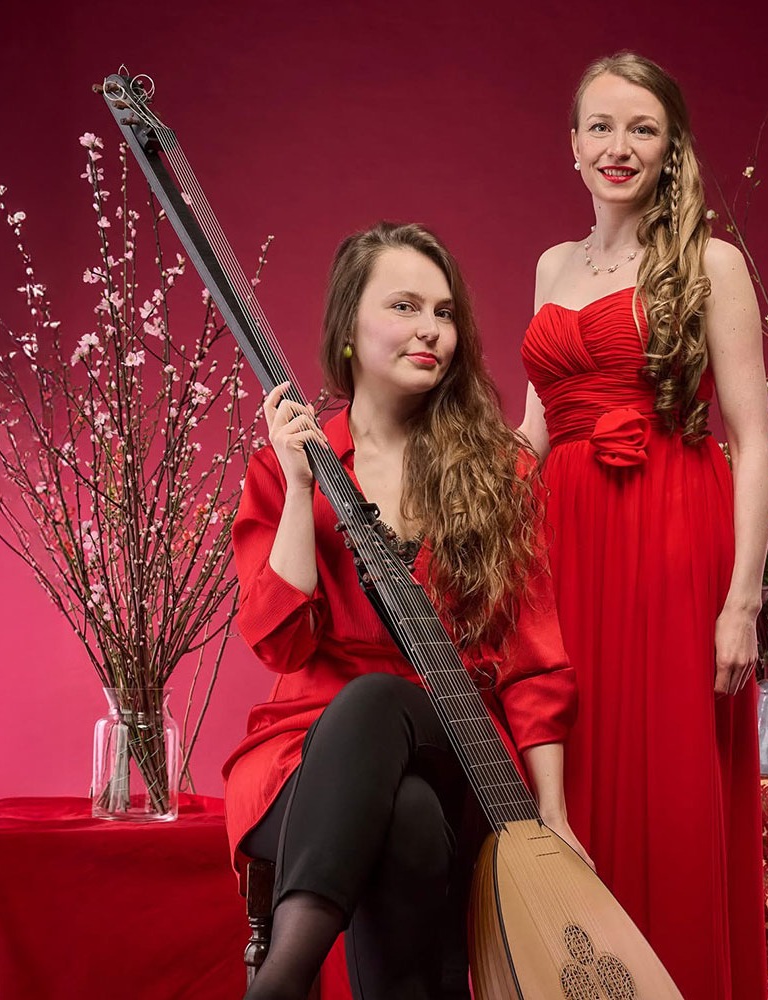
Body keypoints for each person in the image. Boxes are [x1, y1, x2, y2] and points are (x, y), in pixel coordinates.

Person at [223, 221, 583, 1000]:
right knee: (408, 819)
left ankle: (278, 985)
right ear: (348, 330)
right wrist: (299, 488)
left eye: (444, 312)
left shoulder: (500, 468)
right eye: (404, 306)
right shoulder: (283, 465)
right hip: (304, 752)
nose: (431, 329)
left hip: (458, 738)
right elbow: (283, 646)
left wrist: (553, 817)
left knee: (380, 701)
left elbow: (533, 659)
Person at [518, 52, 768, 1000]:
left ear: (671, 149)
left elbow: (753, 443)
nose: (617, 147)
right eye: (600, 127)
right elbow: (534, 433)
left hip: (672, 533)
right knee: (570, 765)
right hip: (564, 542)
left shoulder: (712, 262)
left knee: (669, 780)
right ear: (572, 144)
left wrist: (741, 603)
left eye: (642, 129)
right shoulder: (551, 265)